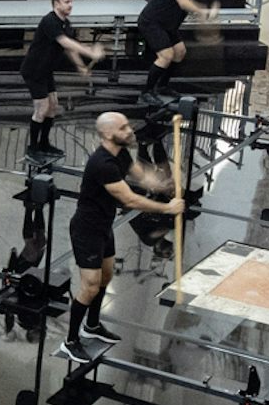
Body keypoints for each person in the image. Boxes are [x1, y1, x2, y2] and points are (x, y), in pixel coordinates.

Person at [61, 111, 184, 351]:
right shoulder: (103, 164)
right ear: (108, 134)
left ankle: (92, 325)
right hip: (87, 229)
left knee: (106, 277)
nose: (129, 131)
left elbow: (142, 176)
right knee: (90, 286)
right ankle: (71, 340)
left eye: (128, 126)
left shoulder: (121, 154)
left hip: (104, 226)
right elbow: (130, 200)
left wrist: (162, 184)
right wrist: (167, 208)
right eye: (123, 128)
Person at [19, 0, 106, 158]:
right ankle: (33, 149)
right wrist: (90, 52)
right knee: (42, 108)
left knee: (53, 106)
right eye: (67, 2)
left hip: (46, 70)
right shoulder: (49, 21)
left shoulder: (66, 24)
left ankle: (44, 144)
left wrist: (80, 65)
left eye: (71, 2)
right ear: (56, 3)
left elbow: (69, 48)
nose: (70, 5)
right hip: (34, 70)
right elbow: (65, 42)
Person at [138, 0, 217, 98]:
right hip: (152, 22)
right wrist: (203, 11)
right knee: (166, 55)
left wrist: (205, 19)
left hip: (168, 25)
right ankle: (147, 92)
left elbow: (193, 5)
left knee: (180, 52)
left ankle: (162, 86)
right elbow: (184, 2)